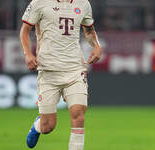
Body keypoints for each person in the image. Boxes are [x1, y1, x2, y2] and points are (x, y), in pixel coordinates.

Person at [20, 0, 102, 149]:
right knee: (48, 126)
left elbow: (89, 31)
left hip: (75, 69)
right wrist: (28, 54)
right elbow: (25, 30)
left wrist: (97, 46)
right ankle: (38, 125)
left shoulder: (83, 3)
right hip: (48, 71)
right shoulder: (39, 3)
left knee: (78, 114)